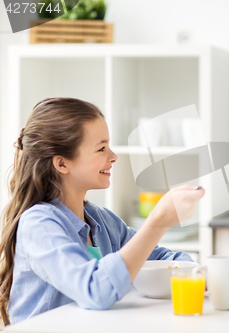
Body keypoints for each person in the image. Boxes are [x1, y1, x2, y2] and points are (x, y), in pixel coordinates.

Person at [0, 98, 205, 325]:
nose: (113, 156)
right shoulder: (38, 224)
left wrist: (199, 274)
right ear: (62, 164)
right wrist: (157, 222)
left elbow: (165, 259)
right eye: (101, 148)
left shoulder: (102, 220)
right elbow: (94, 290)